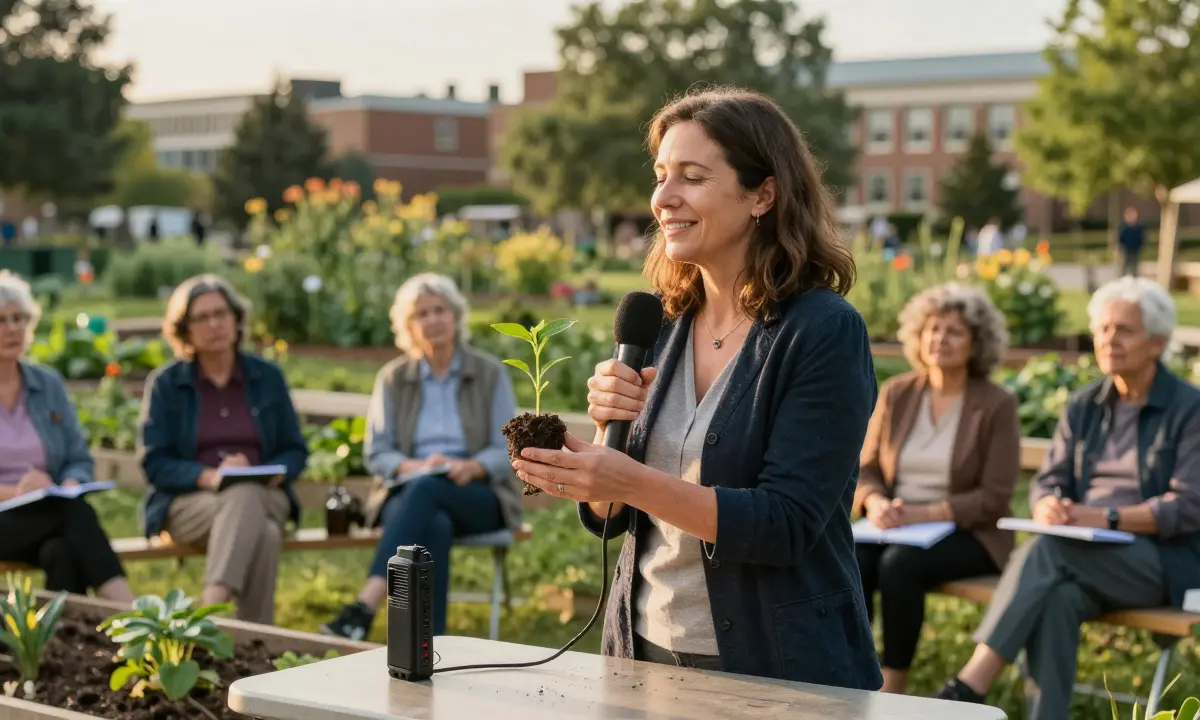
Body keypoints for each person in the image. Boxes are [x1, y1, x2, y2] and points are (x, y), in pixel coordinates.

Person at [510, 88, 882, 688]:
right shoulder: (657, 322)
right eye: (660, 175)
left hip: (778, 670)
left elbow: (785, 525)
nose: (664, 198)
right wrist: (597, 461)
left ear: (763, 193)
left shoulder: (823, 332)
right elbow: (612, 516)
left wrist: (626, 478)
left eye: (693, 177)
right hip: (641, 654)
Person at [936, 277, 1200, 718]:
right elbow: (1048, 480)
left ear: (1157, 342)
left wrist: (1105, 518)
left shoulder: (1190, 409)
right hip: (1084, 554)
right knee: (1057, 597)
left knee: (1050, 550)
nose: (1109, 339)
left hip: (1164, 562)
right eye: (1102, 329)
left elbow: (1188, 506)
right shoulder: (1084, 405)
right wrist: (1046, 504)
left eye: (1124, 330)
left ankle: (971, 683)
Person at [321, 273, 519, 640]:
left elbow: (509, 447)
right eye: (422, 314)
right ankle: (428, 641)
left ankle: (365, 604)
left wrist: (472, 466)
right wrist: (414, 467)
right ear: (408, 326)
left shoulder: (489, 372)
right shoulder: (393, 378)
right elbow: (377, 453)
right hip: (411, 491)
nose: (433, 320)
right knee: (433, 520)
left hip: (476, 494)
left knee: (428, 493)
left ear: (456, 315)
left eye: (440, 310)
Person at [0, 271, 134, 601]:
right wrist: (14, 493)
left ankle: (58, 644)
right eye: (0, 320)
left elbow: (78, 458)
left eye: (19, 318)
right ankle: (131, 612)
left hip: (49, 514)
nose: (12, 328)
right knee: (72, 514)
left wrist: (71, 485)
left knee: (62, 550)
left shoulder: (47, 384)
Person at [854, 282, 1021, 694]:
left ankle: (893, 685)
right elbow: (865, 468)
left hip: (969, 533)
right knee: (853, 557)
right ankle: (852, 670)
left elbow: (994, 497)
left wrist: (923, 514)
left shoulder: (997, 404)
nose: (940, 339)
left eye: (954, 331)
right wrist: (875, 502)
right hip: (892, 524)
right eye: (933, 329)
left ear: (976, 343)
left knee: (899, 566)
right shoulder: (898, 393)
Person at [138, 274, 307, 624]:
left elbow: (295, 449)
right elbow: (154, 462)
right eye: (202, 317)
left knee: (246, 492)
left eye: (221, 313)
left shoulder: (267, 377)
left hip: (267, 493)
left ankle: (206, 616)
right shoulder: (167, 384)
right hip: (190, 502)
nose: (214, 324)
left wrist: (273, 472)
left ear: (236, 318)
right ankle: (258, 641)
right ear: (184, 329)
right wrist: (209, 476)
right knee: (265, 532)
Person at [1118, 206, 1145, 278]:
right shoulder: (1124, 227)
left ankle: (1135, 279)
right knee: (1124, 267)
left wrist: (1140, 246)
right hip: (1126, 250)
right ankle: (1122, 279)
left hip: (1135, 250)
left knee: (1134, 267)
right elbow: (1120, 238)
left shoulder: (1138, 228)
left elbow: (1141, 238)